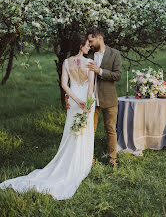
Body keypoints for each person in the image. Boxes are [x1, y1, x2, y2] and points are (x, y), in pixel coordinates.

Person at [0, 35, 95, 200]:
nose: (89, 47)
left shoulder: (66, 62)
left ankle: (69, 162)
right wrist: (87, 103)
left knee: (71, 132)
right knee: (84, 132)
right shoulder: (90, 63)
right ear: (81, 46)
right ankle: (81, 164)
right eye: (87, 45)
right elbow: (90, 87)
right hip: (85, 102)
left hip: (73, 101)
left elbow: (64, 85)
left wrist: (75, 100)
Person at [87, 27, 122, 167]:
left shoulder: (114, 54)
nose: (89, 44)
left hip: (109, 99)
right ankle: (89, 159)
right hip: (92, 100)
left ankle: (112, 159)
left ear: (99, 38)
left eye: (91, 41)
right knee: (90, 131)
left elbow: (117, 75)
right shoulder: (88, 55)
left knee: (111, 130)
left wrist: (100, 71)